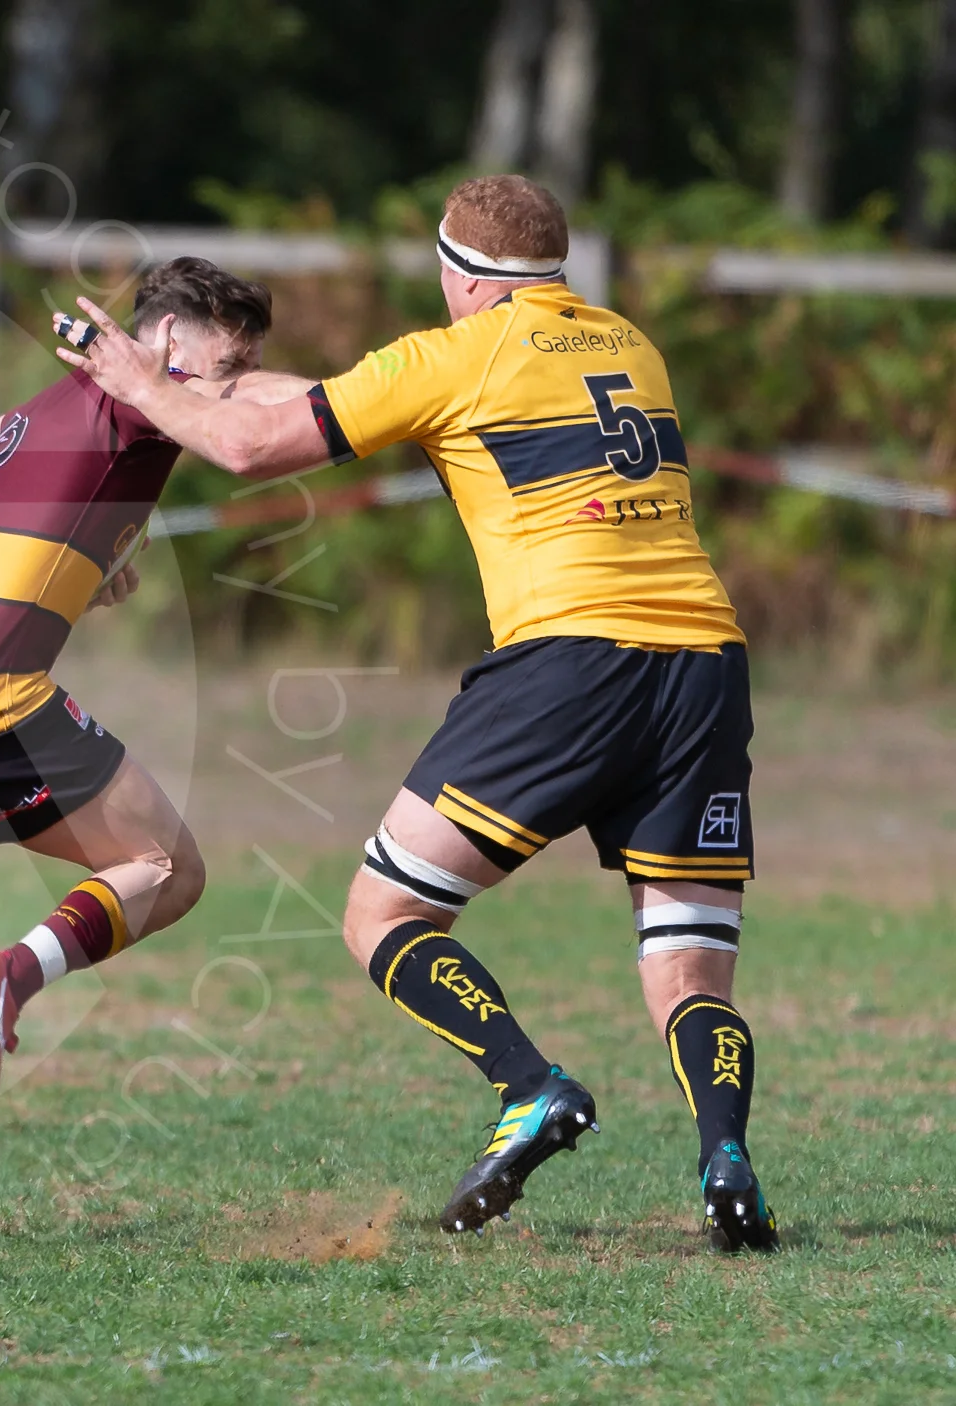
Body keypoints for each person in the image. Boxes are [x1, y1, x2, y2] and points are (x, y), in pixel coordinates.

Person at [58, 174, 775, 1251]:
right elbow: (340, 397)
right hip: (705, 665)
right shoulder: (628, 344)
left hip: (570, 662)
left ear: (461, 275)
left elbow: (250, 448)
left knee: (382, 915)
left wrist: (128, 378)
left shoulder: (449, 357)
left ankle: (528, 1086)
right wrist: (198, 383)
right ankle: (726, 1159)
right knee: (687, 961)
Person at [0, 257, 309, 1126]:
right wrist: (403, 393)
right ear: (163, 339)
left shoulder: (57, 401)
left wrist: (81, 558)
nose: (232, 384)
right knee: (169, 868)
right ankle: (12, 975)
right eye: (228, 363)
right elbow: (266, 408)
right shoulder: (149, 390)